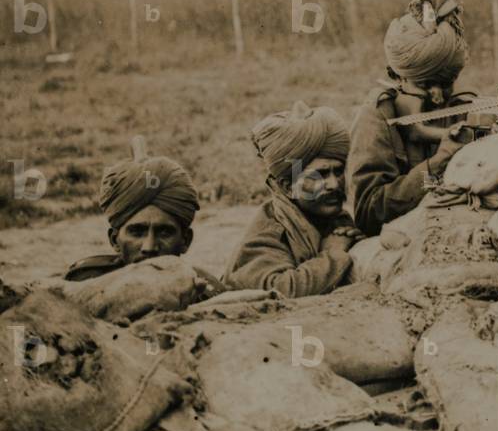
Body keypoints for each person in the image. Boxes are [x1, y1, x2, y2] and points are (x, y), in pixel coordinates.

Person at [347, 0, 472, 236]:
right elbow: (368, 211)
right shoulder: (378, 118)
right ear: (399, 77)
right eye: (426, 85)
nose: (438, 95)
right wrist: (438, 165)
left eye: (446, 84)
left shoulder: (464, 107)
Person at [222, 101, 361, 297]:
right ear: (288, 187)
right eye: (319, 175)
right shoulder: (270, 233)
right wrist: (333, 255)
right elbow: (281, 291)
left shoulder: (332, 216)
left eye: (338, 171)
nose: (334, 184)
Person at [64, 155, 201, 281]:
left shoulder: (206, 294)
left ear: (186, 241)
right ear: (114, 240)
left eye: (164, 233)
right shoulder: (85, 285)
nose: (149, 247)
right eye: (137, 232)